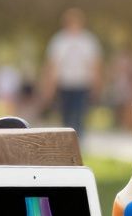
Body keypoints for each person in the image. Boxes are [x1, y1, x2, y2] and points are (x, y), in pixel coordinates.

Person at [43, 8, 103, 138]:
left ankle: (79, 143)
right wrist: (49, 87)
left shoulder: (88, 41)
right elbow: (53, 66)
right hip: (64, 83)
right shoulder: (59, 41)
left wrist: (96, 85)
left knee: (79, 115)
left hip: (82, 83)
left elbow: (94, 65)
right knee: (66, 116)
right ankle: (67, 142)